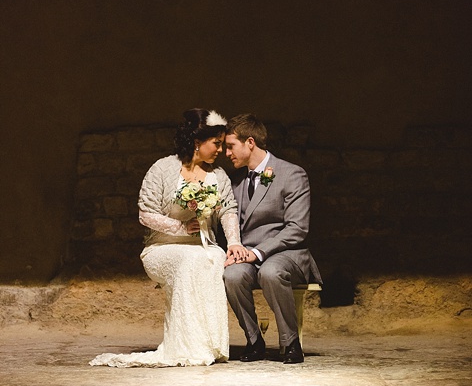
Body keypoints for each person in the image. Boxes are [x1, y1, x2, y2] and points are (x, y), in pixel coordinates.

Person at [91, 109, 248, 367]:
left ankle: (209, 344)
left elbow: (228, 210)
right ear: (198, 141)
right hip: (161, 248)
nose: (220, 150)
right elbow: (145, 214)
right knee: (191, 260)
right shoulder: (163, 168)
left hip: (204, 245)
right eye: (216, 143)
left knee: (213, 256)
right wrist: (180, 228)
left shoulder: (218, 176)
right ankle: (186, 346)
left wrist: (233, 242)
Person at [223, 114, 322, 364]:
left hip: (287, 255)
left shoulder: (291, 174)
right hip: (248, 255)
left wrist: (257, 253)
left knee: (271, 271)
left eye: (230, 146)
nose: (226, 153)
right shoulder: (234, 180)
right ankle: (254, 340)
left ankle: (290, 343)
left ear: (250, 142)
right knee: (232, 275)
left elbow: (297, 228)